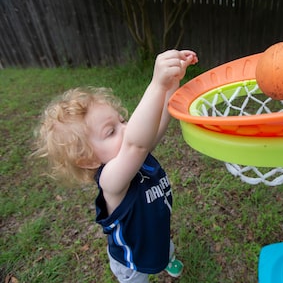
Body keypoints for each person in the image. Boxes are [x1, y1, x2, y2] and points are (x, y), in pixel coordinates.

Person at [33, 50, 198, 282]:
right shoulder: (111, 180)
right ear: (89, 160)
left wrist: (171, 84)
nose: (126, 129)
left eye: (122, 121)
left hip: (155, 231)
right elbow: (136, 144)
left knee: (163, 246)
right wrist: (156, 86)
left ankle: (166, 258)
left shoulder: (136, 154)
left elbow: (158, 123)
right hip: (132, 259)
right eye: (111, 131)